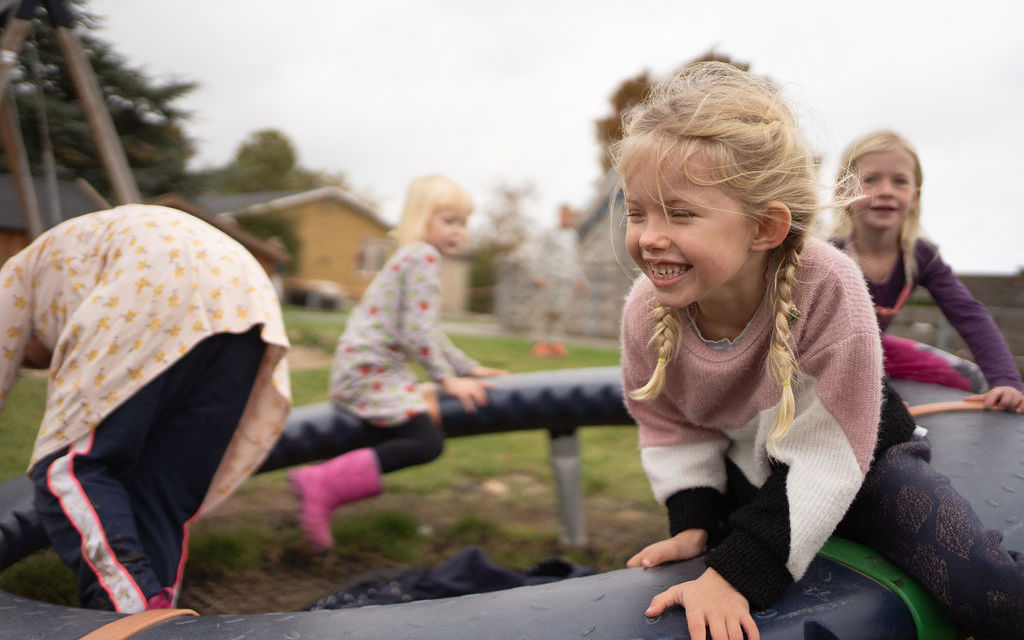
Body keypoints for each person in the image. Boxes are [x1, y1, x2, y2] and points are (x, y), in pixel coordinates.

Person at [615, 62, 1024, 640]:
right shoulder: (646, 308)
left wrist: (743, 571)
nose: (649, 235)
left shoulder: (827, 284)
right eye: (637, 211)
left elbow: (829, 453)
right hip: (754, 471)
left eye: (680, 213)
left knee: (988, 594)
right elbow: (672, 425)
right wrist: (694, 522)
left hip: (862, 458)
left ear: (764, 228)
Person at [0, 204, 291, 613]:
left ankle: (132, 613)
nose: (43, 360)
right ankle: (162, 612)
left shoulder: (15, 275)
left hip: (155, 276)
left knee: (68, 470)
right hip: (244, 298)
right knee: (161, 489)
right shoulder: (70, 258)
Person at [289, 174, 507, 551]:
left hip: (368, 369)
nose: (460, 232)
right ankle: (319, 484)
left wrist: (466, 367)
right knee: (425, 441)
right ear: (422, 219)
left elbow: (429, 331)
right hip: (369, 373)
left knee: (421, 433)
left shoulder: (413, 256)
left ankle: (323, 481)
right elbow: (416, 334)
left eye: (463, 223)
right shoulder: (422, 257)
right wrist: (446, 380)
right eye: (449, 221)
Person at [831, 129, 1023, 412]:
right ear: (842, 192)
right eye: (870, 180)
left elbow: (968, 313)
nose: (885, 190)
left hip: (878, 352)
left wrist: (1006, 380)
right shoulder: (829, 254)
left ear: (914, 197)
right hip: (825, 359)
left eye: (899, 181)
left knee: (967, 378)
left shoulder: (920, 256)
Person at [528, 204, 587, 357]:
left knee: (561, 312)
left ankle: (556, 342)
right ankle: (539, 342)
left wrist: (579, 277)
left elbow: (575, 258)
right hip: (549, 277)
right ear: (560, 216)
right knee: (544, 311)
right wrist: (537, 275)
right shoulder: (549, 233)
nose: (569, 220)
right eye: (566, 216)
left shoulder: (572, 236)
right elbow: (539, 254)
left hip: (567, 279)